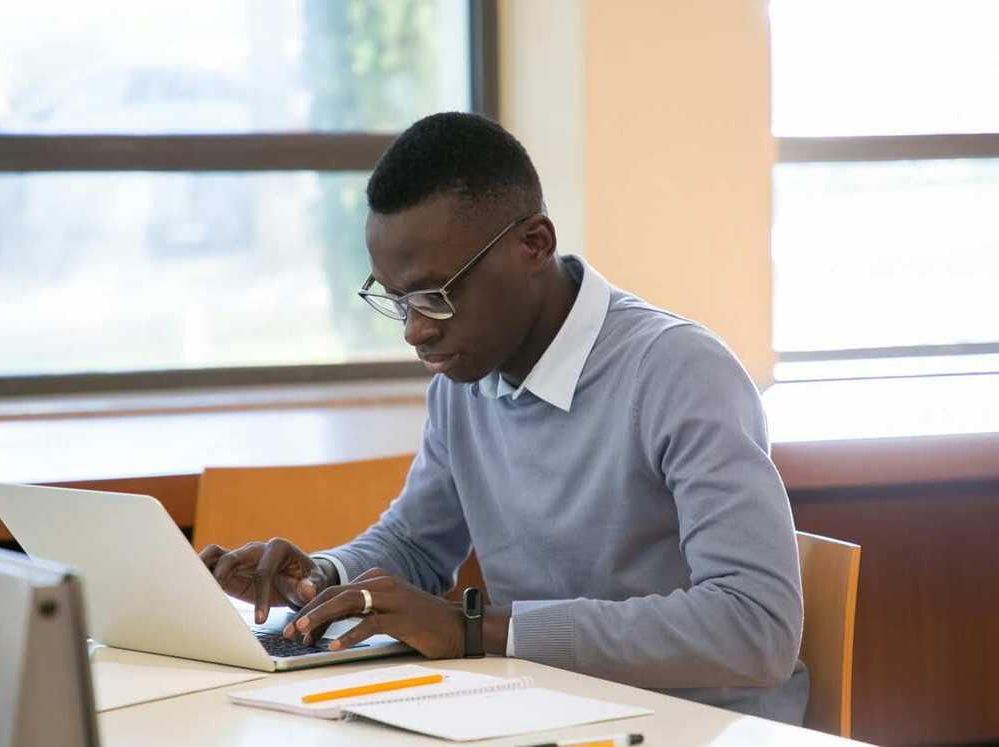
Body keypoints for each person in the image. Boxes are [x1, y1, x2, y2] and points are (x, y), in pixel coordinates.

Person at [200, 112, 808, 724]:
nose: (415, 330)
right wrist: (321, 579)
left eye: (436, 294)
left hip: (696, 725)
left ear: (534, 245)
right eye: (397, 300)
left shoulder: (680, 371)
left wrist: (479, 630)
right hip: (544, 712)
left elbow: (754, 626)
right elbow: (416, 543)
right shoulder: (466, 373)